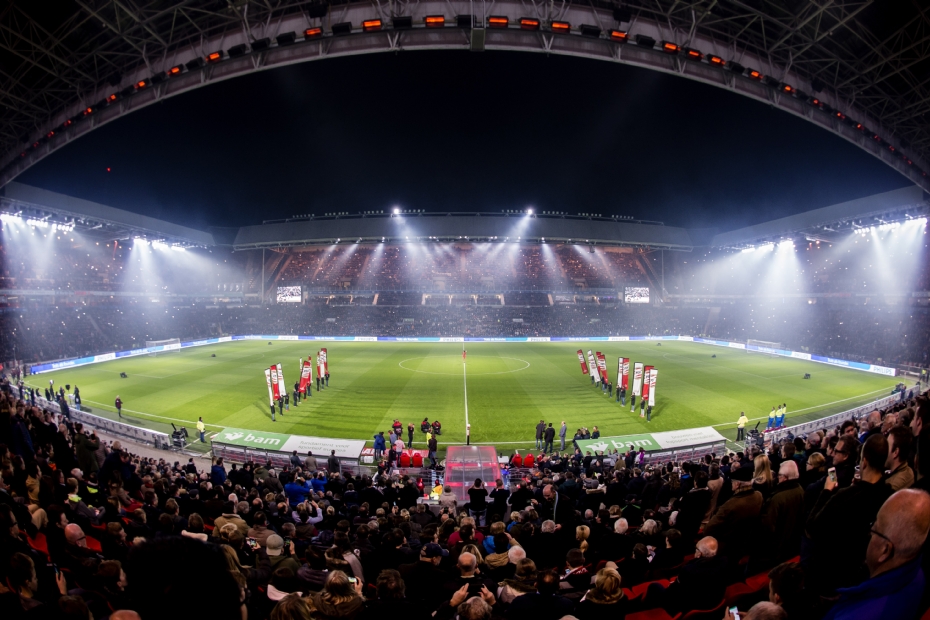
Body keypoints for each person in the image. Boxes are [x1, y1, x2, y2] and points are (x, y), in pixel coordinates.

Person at [823, 489, 930, 620]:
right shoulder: (917, 575)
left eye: (874, 528)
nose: (870, 534)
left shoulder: (856, 616)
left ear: (885, 551)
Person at [884, 426, 914, 491]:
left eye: (887, 446)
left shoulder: (891, 486)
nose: (883, 449)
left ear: (895, 452)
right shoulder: (909, 471)